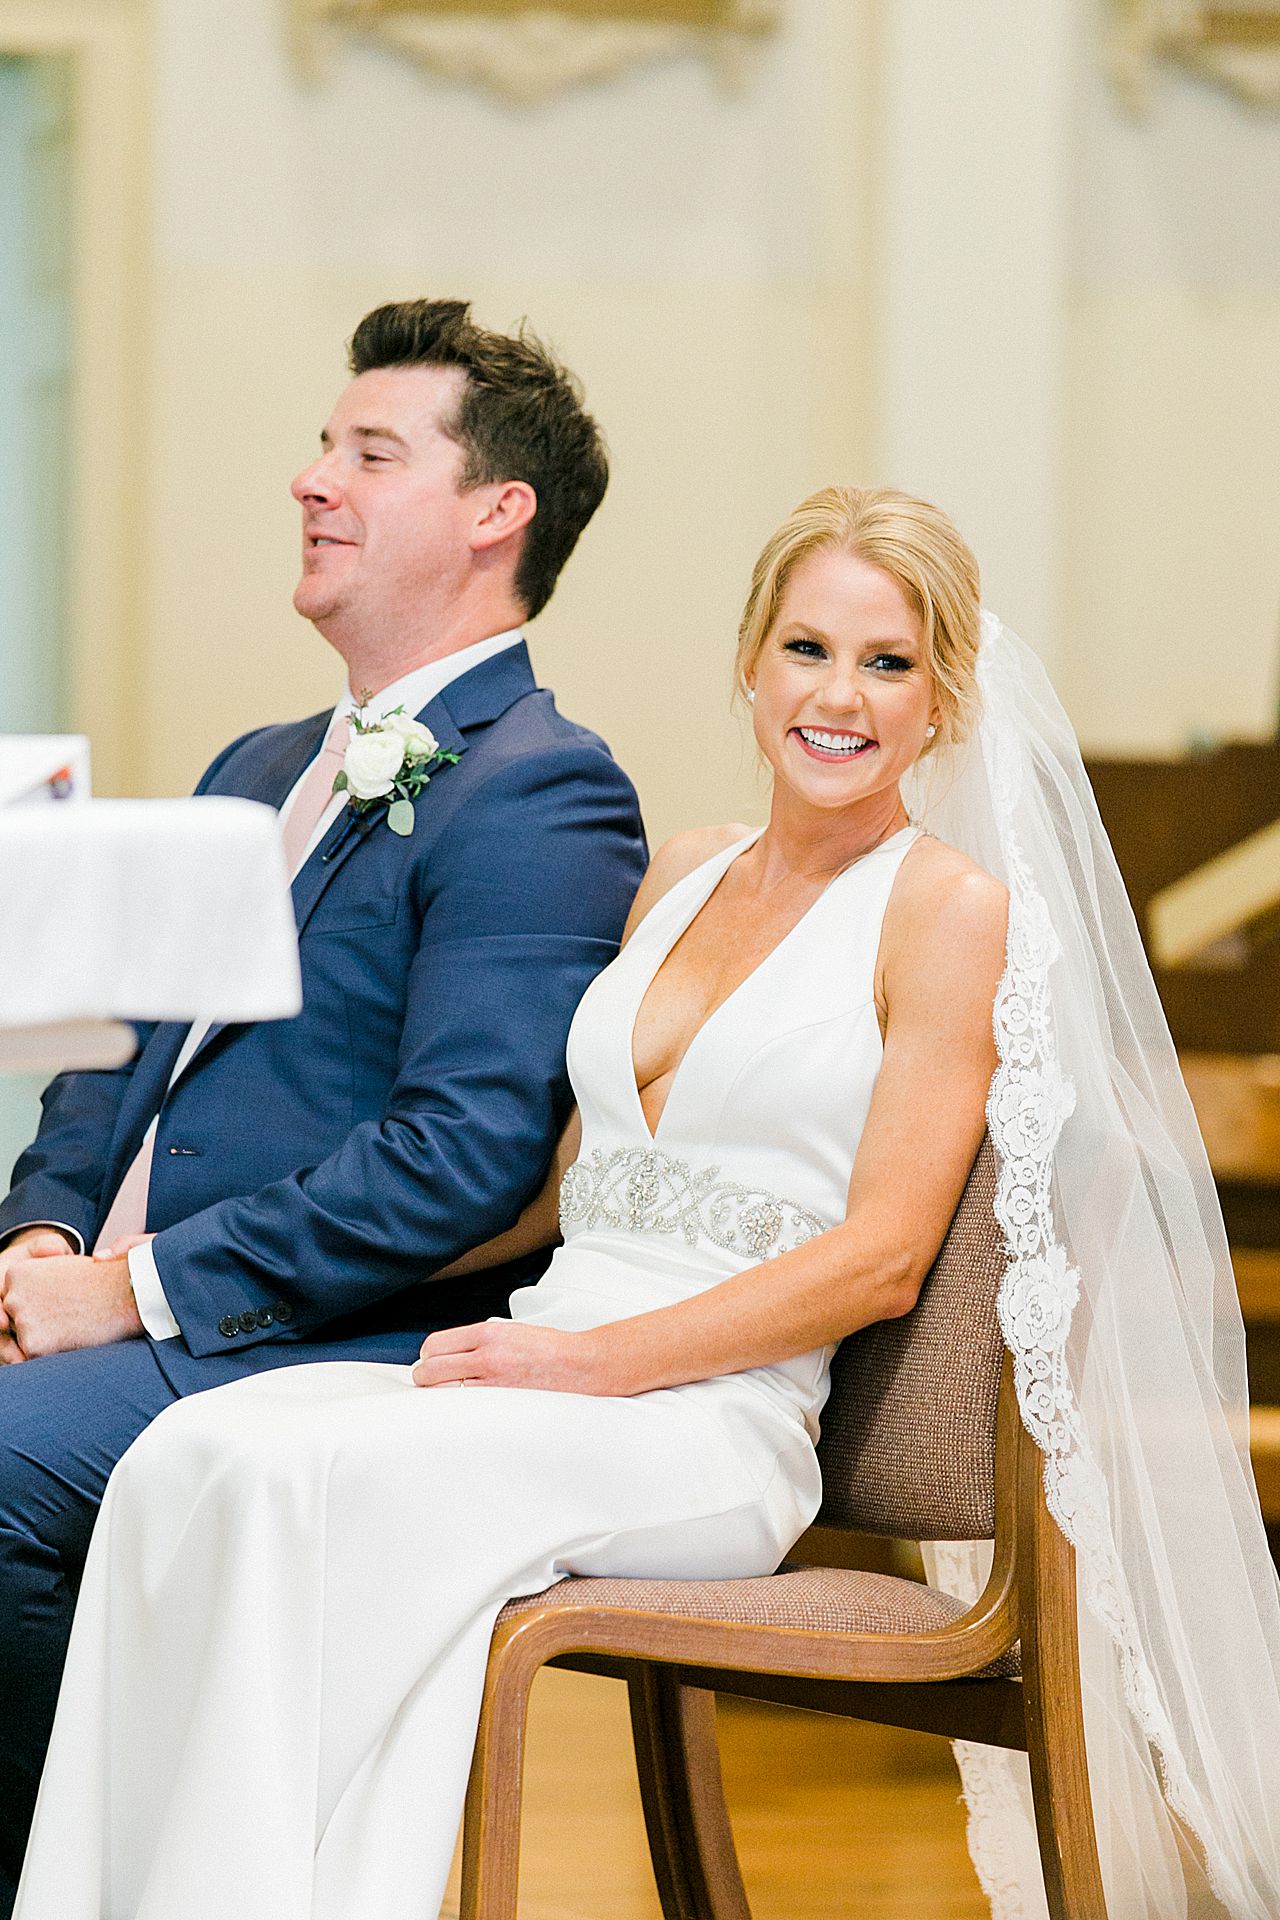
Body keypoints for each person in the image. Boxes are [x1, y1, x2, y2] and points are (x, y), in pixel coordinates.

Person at [17, 487, 1280, 1920]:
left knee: (316, 1483)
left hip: (709, 1420)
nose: (839, 696)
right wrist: (230, 1285)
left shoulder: (947, 912)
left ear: (944, 703)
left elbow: (879, 1260)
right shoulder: (681, 874)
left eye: (890, 662)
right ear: (751, 664)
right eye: (808, 648)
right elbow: (553, 1187)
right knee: (196, 1451)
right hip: (549, 1356)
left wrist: (591, 1364)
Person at [0, 297, 647, 1918]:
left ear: (497, 516)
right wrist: (40, 1233)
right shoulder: (253, 762)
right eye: (319, 444)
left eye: (368, 452)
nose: (311, 479)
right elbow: (109, 1064)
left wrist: (127, 1293)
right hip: (104, 1294)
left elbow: (461, 1160)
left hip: (319, 1326)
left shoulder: (541, 787)